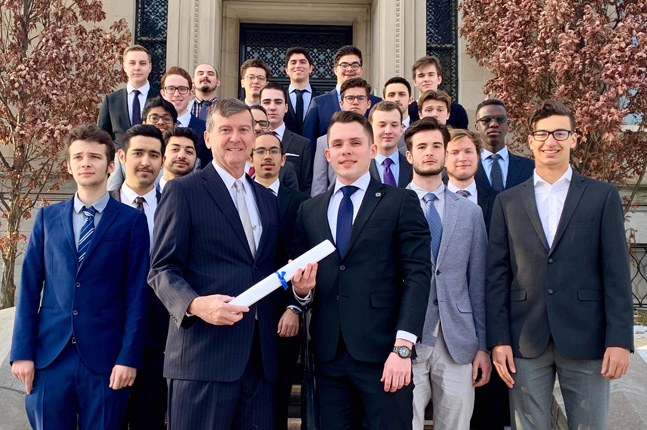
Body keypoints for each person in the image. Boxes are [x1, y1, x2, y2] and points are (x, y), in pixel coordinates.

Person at [487, 99, 634, 430]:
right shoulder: (507, 201)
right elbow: (497, 275)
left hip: (588, 338)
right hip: (525, 339)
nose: (550, 141)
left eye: (559, 133)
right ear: (530, 140)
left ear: (574, 138)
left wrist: (620, 340)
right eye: (542, 134)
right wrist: (498, 340)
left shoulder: (602, 196)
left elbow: (616, 273)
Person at [149, 98, 287, 430]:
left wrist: (299, 288)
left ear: (253, 137)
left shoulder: (268, 200)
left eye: (243, 130)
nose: (235, 138)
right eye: (226, 130)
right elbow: (161, 270)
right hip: (203, 359)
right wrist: (195, 305)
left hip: (259, 362)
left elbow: (266, 269)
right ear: (208, 138)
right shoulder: (183, 191)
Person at [292, 110, 432, 430]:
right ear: (328, 154)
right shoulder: (309, 210)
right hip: (328, 356)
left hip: (385, 354)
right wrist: (301, 292)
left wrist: (403, 348)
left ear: (372, 150)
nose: (346, 151)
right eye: (338, 144)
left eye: (355, 143)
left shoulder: (400, 201)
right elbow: (304, 283)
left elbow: (417, 275)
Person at [10, 124, 150, 429]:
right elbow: (30, 288)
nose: (86, 163)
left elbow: (137, 295)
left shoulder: (132, 222)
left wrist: (128, 357)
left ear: (111, 166)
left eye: (95, 157)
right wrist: (21, 352)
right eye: (78, 157)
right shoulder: (47, 218)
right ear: (69, 166)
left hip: (106, 360)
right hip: (50, 357)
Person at [403, 117, 489, 430]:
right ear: (409, 155)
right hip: (407, 340)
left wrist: (483, 346)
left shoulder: (470, 212)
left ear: (445, 153)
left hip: (458, 339)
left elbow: (478, 282)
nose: (429, 152)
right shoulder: (390, 206)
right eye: (421, 146)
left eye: (436, 146)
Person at [249, 131, 309, 430]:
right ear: (251, 158)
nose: (267, 156)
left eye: (274, 151)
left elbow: (303, 260)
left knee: (278, 394)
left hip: (282, 315)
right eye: (260, 151)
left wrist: (293, 307)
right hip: (242, 314)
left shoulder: (302, 203)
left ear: (284, 160)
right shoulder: (238, 198)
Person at [108, 125, 165, 430]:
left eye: (154, 155)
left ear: (162, 160)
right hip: (106, 338)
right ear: (121, 156)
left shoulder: (177, 205)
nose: (146, 161)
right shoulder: (101, 207)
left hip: (159, 340)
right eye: (138, 153)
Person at [302, 45, 382, 149]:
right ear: (335, 70)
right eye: (344, 65)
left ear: (361, 70)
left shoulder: (376, 103)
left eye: (355, 65)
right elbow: (309, 143)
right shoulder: (319, 103)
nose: (349, 69)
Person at [310, 78, 373, 196]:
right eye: (350, 98)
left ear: (368, 103)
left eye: (360, 98)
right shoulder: (323, 141)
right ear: (341, 103)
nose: (355, 102)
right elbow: (319, 184)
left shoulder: (376, 138)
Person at [98, 45, 159, 148]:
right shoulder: (111, 100)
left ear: (150, 67)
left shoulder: (161, 98)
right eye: (132, 63)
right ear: (124, 66)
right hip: (119, 156)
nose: (137, 68)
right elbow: (101, 137)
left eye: (142, 63)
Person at [260, 82, 313, 193]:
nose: (272, 107)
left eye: (278, 102)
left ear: (286, 107)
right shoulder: (251, 141)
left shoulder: (302, 145)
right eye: (267, 102)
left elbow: (306, 186)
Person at [474, 99, 534, 193]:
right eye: (486, 120)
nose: (494, 124)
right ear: (477, 127)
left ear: (508, 125)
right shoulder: (466, 167)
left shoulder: (531, 167)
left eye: (500, 119)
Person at [444, 129, 496, 231]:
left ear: (478, 156)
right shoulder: (431, 201)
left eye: (468, 151)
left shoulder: (497, 202)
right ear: (443, 159)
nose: (462, 158)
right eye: (455, 152)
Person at [160, 66, 210, 167]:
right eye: (171, 89)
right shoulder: (154, 127)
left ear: (191, 93)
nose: (176, 94)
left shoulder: (205, 129)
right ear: (163, 93)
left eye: (182, 89)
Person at [408, 55, 468, 128]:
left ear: (439, 79)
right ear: (415, 81)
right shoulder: (408, 111)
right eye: (421, 76)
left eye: (431, 75)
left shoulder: (457, 111)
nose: (426, 79)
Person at [251, 105, 299, 191]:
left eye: (263, 124)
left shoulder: (286, 168)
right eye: (252, 124)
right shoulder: (232, 164)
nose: (257, 128)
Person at [368, 101, 412, 187]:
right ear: (370, 129)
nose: (388, 131)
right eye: (382, 125)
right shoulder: (360, 167)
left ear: (401, 130)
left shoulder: (413, 166)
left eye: (394, 125)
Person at [283, 47, 318, 134]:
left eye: (302, 62)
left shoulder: (321, 99)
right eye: (293, 62)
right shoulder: (279, 99)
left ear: (311, 68)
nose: (298, 66)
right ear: (286, 70)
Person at [159, 127, 198, 192]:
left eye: (189, 151)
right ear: (162, 154)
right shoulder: (146, 193)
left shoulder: (204, 195)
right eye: (175, 149)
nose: (182, 156)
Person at [383, 77, 414, 154]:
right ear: (384, 101)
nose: (397, 99)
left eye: (402, 94)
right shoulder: (374, 131)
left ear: (410, 100)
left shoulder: (420, 131)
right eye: (391, 95)